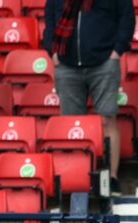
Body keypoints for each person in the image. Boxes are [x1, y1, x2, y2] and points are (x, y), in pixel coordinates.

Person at [43, 0, 135, 196]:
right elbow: (50, 20)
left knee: (107, 119)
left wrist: (117, 51)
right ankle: (75, 178)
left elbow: (126, 17)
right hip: (66, 64)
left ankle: (112, 178)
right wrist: (53, 53)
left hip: (104, 63)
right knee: (70, 125)